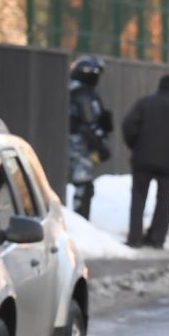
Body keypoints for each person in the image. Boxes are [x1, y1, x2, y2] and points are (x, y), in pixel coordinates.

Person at [121, 74, 169, 248]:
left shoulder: (144, 104)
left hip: (142, 159)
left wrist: (135, 145)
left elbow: (128, 125)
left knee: (138, 198)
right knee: (164, 201)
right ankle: (157, 239)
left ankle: (135, 238)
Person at [67, 55, 112, 220]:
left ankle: (80, 222)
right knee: (82, 188)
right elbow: (89, 124)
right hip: (80, 147)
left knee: (84, 187)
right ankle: (80, 223)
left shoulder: (76, 92)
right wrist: (100, 145)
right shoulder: (83, 95)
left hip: (79, 146)